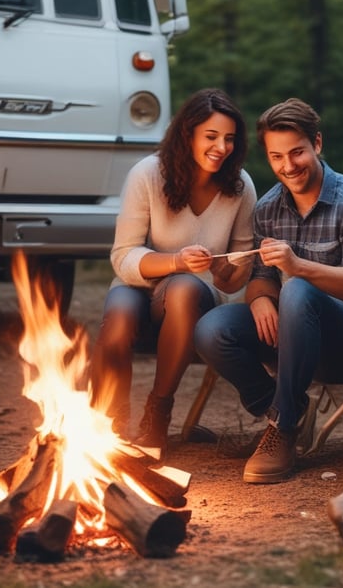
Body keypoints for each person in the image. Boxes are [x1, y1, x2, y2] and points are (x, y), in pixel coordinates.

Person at [194, 97, 343, 483]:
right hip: (293, 338)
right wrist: (263, 299)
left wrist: (297, 268)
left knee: (298, 289)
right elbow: (261, 278)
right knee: (211, 328)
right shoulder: (268, 209)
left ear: (317, 143)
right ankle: (286, 408)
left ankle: (281, 429)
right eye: (276, 157)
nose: (288, 166)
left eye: (297, 152)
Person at [89, 88, 257, 453]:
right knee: (118, 317)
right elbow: (123, 255)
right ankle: (109, 423)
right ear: (188, 134)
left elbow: (238, 270)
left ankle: (158, 411)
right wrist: (176, 261)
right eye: (211, 137)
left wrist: (227, 271)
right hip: (140, 282)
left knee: (182, 288)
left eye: (229, 139)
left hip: (195, 297)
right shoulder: (148, 174)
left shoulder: (240, 188)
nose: (221, 147)